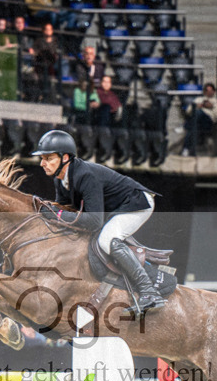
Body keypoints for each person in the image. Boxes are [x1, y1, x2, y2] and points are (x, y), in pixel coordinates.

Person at [31, 129, 164, 312]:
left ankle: (149, 293)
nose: (42, 163)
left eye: (48, 158)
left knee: (107, 240)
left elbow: (94, 221)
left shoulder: (85, 175)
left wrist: (56, 214)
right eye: (42, 158)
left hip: (137, 203)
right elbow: (65, 212)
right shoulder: (60, 179)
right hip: (117, 208)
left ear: (65, 158)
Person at [180, 82, 217, 156]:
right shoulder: (198, 99)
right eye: (207, 90)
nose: (209, 92)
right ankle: (186, 149)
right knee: (191, 129)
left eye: (210, 90)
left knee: (198, 113)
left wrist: (211, 107)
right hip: (197, 122)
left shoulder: (216, 102)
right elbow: (188, 111)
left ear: (214, 91)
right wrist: (197, 106)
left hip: (208, 122)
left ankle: (185, 126)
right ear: (204, 91)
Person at [32, 22, 60, 103]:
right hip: (40, 65)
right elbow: (35, 51)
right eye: (46, 29)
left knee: (51, 81)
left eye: (50, 29)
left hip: (52, 65)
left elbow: (58, 53)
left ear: (52, 31)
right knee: (36, 79)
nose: (48, 31)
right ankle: (36, 98)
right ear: (43, 31)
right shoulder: (39, 41)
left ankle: (53, 100)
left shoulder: (56, 42)